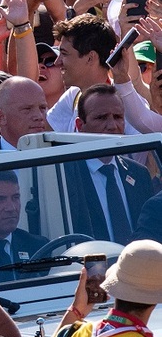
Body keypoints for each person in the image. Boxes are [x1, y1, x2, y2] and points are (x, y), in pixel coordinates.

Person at [63, 85, 152, 245]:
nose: (112, 125)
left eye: (118, 117)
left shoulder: (139, 174)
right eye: (101, 118)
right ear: (79, 125)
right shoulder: (65, 177)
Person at [0, 76, 51, 150]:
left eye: (42, 108)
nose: (39, 116)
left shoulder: (62, 155)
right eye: (27, 109)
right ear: (1, 117)